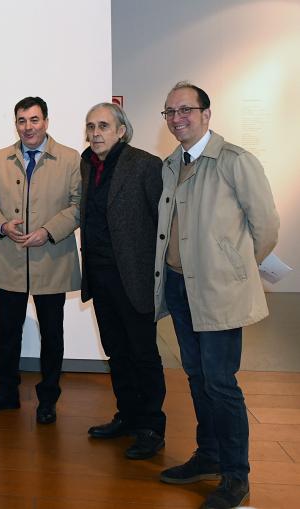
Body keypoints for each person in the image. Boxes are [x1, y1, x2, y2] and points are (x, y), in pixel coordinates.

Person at [154, 82, 279, 509]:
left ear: (207, 114)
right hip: (178, 287)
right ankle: (207, 456)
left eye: (185, 109)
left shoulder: (234, 161)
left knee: (222, 383)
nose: (177, 118)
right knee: (196, 376)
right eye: (169, 112)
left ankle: (235, 476)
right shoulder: (172, 163)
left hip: (218, 291)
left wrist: (232, 269)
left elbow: (266, 228)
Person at [0, 96, 81, 424]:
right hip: (12, 260)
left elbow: (79, 205)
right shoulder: (0, 158)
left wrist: (48, 231)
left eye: (34, 120)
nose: (28, 127)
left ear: (46, 122)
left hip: (52, 260)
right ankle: (6, 392)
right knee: (7, 334)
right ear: (16, 124)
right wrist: (3, 225)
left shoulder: (70, 158)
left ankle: (48, 399)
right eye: (22, 121)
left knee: (52, 335)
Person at [79, 102, 166, 459]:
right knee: (116, 351)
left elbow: (162, 224)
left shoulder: (146, 165)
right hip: (99, 277)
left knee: (143, 354)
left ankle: (151, 427)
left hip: (134, 277)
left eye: (103, 126)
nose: (95, 133)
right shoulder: (86, 164)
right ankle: (127, 416)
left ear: (121, 131)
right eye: (90, 126)